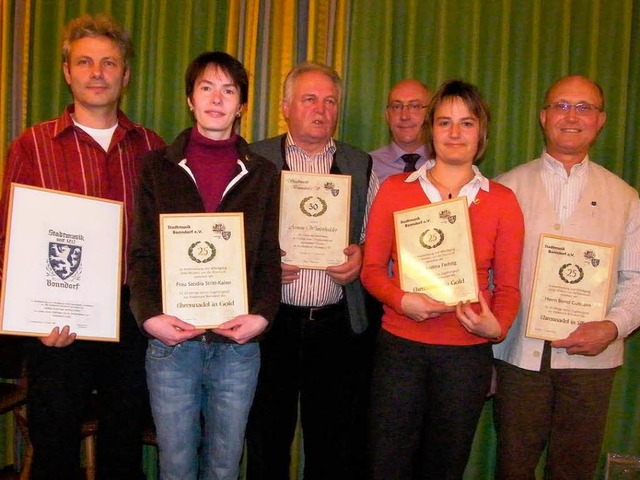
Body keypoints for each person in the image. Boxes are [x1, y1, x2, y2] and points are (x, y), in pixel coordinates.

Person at [0, 13, 165, 480]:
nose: (98, 72)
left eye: (109, 62)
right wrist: (30, 320)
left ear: (126, 75)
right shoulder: (32, 145)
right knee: (54, 445)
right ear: (67, 71)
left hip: (132, 318)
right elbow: (9, 238)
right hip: (58, 320)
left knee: (123, 443)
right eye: (86, 62)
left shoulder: (151, 148)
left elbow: (159, 238)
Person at [128, 51, 281, 480]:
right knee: (175, 465)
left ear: (242, 104)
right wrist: (149, 317)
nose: (217, 99)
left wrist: (263, 316)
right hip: (172, 343)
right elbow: (140, 252)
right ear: (190, 99)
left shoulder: (264, 173)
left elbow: (269, 256)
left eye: (229, 90)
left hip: (237, 346)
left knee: (224, 466)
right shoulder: (155, 167)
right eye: (206, 88)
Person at [361, 79, 524, 480]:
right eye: (445, 122)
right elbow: (371, 269)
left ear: (481, 133)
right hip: (400, 350)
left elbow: (507, 288)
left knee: (445, 466)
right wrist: (402, 301)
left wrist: (496, 327)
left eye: (466, 123)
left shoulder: (502, 201)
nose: (454, 133)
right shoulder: (395, 190)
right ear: (430, 129)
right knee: (386, 463)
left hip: (465, 356)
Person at [492, 75, 640, 480]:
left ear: (601, 120)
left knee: (574, 469)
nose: (571, 116)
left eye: (584, 107)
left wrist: (612, 327)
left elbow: (637, 279)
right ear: (543, 117)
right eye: (561, 105)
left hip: (593, 361)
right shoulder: (506, 187)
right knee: (513, 466)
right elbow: (487, 274)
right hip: (520, 355)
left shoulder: (626, 198)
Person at [245, 61, 378, 480]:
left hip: (336, 329)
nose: (321, 109)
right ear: (286, 106)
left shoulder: (361, 163)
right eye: (309, 99)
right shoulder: (254, 157)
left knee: (332, 448)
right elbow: (232, 235)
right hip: (272, 327)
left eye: (330, 100)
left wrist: (362, 256)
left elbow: (377, 236)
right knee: (267, 442)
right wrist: (262, 264)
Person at [370, 79, 432, 184]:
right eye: (396, 107)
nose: (404, 116)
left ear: (430, 113)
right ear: (387, 115)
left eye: (415, 106)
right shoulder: (366, 167)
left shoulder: (446, 166)